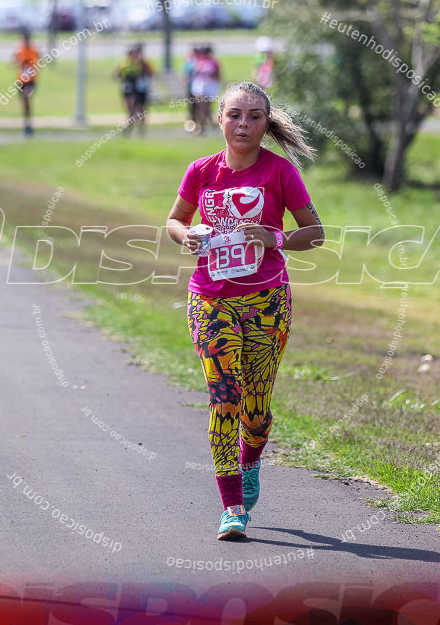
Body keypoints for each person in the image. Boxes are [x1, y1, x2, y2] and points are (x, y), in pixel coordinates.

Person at [165, 81, 324, 541]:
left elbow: (315, 232)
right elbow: (175, 220)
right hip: (210, 298)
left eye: (255, 116)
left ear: (265, 123)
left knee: (255, 407)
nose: (244, 124)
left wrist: (273, 237)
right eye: (235, 114)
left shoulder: (279, 173)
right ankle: (232, 506)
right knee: (225, 397)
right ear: (220, 119)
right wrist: (187, 235)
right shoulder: (201, 171)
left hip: (267, 302)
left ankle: (250, 461)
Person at [115, 44, 153, 135]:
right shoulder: (125, 64)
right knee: (131, 110)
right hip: (130, 91)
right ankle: (129, 129)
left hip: (141, 90)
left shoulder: (144, 63)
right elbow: (117, 75)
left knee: (142, 110)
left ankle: (141, 131)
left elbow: (151, 73)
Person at [12, 31, 40, 138]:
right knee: (25, 103)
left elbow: (40, 60)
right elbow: (12, 62)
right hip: (21, 80)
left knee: (27, 98)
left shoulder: (34, 50)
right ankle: (27, 124)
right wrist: (18, 63)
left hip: (31, 80)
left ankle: (28, 125)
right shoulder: (20, 50)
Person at [190, 45, 221, 135]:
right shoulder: (199, 62)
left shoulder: (213, 62)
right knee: (201, 107)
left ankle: (209, 125)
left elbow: (217, 75)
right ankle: (202, 126)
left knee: (207, 108)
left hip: (210, 86)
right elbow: (195, 73)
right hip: (200, 87)